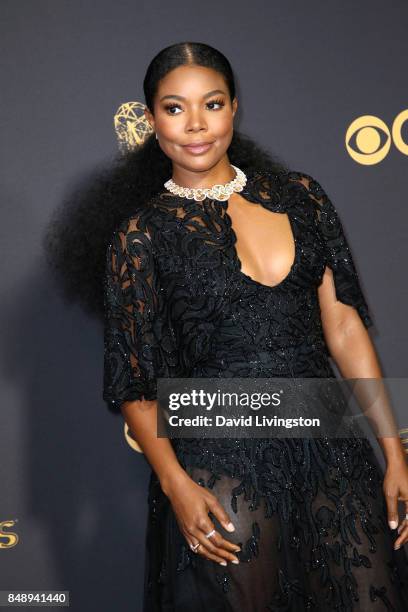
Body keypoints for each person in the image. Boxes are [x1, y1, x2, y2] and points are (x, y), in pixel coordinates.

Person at [99, 43, 408, 611]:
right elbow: (135, 384)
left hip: (328, 447)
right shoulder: (141, 236)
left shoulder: (302, 197)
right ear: (149, 120)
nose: (196, 124)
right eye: (174, 108)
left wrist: (394, 451)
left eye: (211, 104)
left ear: (234, 109)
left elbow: (342, 326)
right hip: (223, 460)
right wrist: (175, 485)